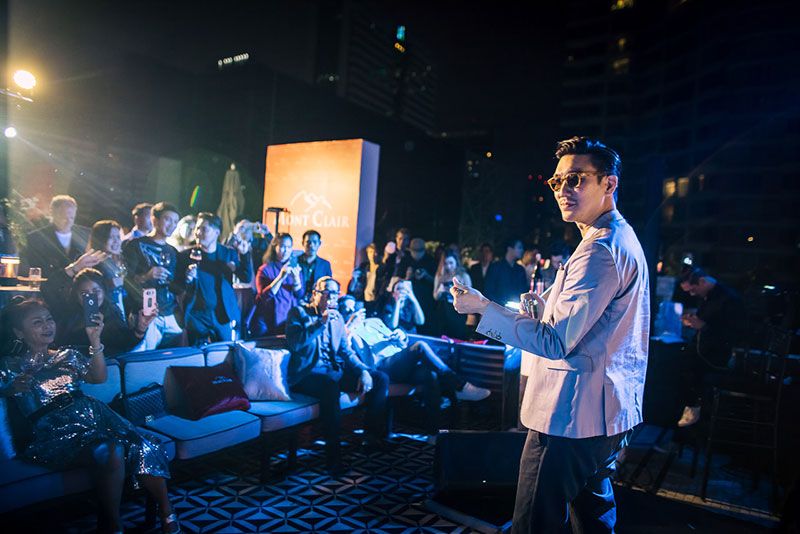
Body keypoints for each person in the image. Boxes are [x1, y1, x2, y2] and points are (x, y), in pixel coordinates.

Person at [451, 136, 649, 533]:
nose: (562, 190)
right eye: (557, 181)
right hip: (605, 414)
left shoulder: (600, 249)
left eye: (576, 179)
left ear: (609, 183)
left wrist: (483, 307)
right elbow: (600, 327)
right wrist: (547, 310)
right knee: (593, 519)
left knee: (533, 522)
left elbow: (555, 343)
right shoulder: (618, 238)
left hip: (570, 417)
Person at [0, 297, 180, 533]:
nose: (47, 326)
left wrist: (94, 338)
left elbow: (98, 377)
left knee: (143, 444)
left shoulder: (67, 355)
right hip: (54, 431)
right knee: (112, 450)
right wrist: (8, 390)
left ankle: (167, 511)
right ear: (19, 332)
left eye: (49, 319)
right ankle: (112, 525)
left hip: (95, 415)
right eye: (37, 322)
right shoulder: (9, 365)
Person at [286, 276, 390, 474]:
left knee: (380, 379)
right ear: (315, 293)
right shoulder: (298, 312)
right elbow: (295, 344)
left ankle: (370, 438)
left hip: (332, 372)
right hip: (306, 375)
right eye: (325, 292)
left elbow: (345, 352)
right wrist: (320, 323)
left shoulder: (338, 318)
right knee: (330, 386)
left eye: (334, 293)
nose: (330, 297)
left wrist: (363, 370)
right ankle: (333, 459)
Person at [347, 311, 490, 439]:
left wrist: (401, 336)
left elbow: (401, 341)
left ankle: (433, 433)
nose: (356, 312)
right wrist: (351, 329)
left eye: (356, 309)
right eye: (349, 310)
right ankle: (460, 385)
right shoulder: (349, 332)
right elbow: (359, 359)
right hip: (383, 367)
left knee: (430, 375)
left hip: (399, 360)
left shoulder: (374, 321)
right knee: (420, 346)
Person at [675, 266, 744, 427]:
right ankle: (684, 414)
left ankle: (693, 413)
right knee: (678, 360)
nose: (692, 294)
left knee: (686, 366)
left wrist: (703, 327)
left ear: (702, 281)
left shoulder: (729, 299)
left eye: (693, 290)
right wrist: (693, 321)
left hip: (717, 355)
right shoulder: (709, 297)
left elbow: (735, 333)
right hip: (705, 348)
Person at [176, 213, 253, 345]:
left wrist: (244, 255)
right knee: (198, 354)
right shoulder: (186, 256)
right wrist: (187, 279)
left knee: (227, 351)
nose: (198, 233)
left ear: (217, 232)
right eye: (197, 228)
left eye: (204, 229)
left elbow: (245, 278)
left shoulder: (228, 253)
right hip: (197, 316)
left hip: (223, 314)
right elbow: (176, 286)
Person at [122, 201, 183, 350]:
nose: (172, 225)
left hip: (169, 314)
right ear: (154, 220)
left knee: (171, 357)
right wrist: (146, 276)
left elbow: (176, 286)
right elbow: (125, 281)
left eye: (175, 221)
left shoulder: (173, 251)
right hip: (145, 313)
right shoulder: (135, 245)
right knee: (145, 357)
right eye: (168, 219)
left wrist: (187, 277)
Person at [56, 268, 155, 356]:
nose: (91, 298)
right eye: (84, 293)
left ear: (104, 292)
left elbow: (125, 344)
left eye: (96, 291)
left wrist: (141, 328)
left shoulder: (112, 312)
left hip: (110, 365)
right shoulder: (67, 317)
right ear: (76, 295)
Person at [22, 195, 90, 278]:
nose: (68, 222)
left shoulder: (86, 235)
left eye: (72, 218)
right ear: (53, 214)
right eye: (64, 218)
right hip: (51, 283)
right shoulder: (36, 238)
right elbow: (37, 270)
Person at [249, 233, 303, 336]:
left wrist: (296, 278)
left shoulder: (295, 267)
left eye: (289, 247)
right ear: (275, 247)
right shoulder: (265, 269)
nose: (286, 251)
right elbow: (264, 296)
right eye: (282, 247)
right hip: (268, 318)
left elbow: (299, 294)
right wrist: (281, 277)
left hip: (287, 317)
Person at [88, 220, 129, 315]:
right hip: (106, 314)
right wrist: (110, 284)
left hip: (121, 311)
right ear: (100, 239)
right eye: (111, 237)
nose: (116, 241)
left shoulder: (120, 262)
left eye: (118, 237)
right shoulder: (93, 263)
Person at [433, 249, 472, 339]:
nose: (448, 266)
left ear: (456, 262)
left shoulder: (463, 276)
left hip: (458, 313)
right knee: (443, 338)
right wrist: (440, 290)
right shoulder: (440, 276)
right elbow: (435, 296)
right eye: (446, 263)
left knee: (458, 338)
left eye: (451, 263)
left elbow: (470, 296)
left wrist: (456, 291)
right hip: (443, 312)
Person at [483, 236, 527, 308]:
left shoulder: (520, 269)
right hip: (498, 309)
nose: (522, 250)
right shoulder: (495, 267)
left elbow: (524, 291)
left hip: (517, 310)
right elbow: (488, 291)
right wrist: (500, 305)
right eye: (519, 247)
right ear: (510, 248)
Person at [297, 230, 333, 298]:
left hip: (317, 300)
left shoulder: (325, 265)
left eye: (315, 242)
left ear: (319, 243)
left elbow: (329, 285)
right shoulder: (295, 262)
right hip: (296, 299)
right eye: (308, 242)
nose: (311, 245)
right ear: (303, 243)